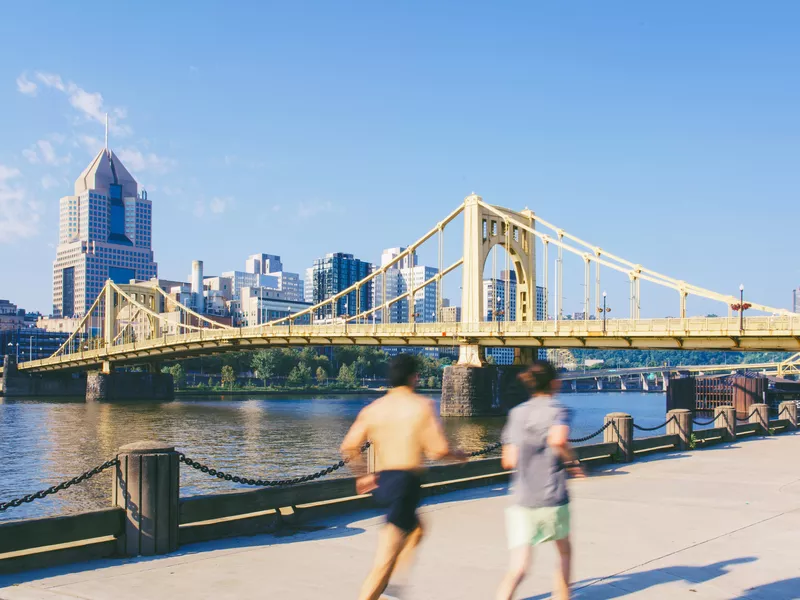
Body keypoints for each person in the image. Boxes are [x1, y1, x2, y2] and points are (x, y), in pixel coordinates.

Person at [341, 353, 465, 600]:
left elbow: (348, 447)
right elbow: (438, 450)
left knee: (417, 529)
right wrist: (457, 455)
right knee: (382, 564)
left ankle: (394, 582)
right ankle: (387, 583)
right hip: (405, 485)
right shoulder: (421, 405)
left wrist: (363, 475)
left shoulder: (373, 409)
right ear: (414, 377)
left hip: (383, 482)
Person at [496, 360, 583, 600]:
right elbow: (558, 440)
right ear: (555, 383)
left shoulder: (516, 413)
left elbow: (508, 460)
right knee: (564, 552)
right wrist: (572, 463)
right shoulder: (558, 410)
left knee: (519, 566)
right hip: (552, 495)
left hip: (522, 499)